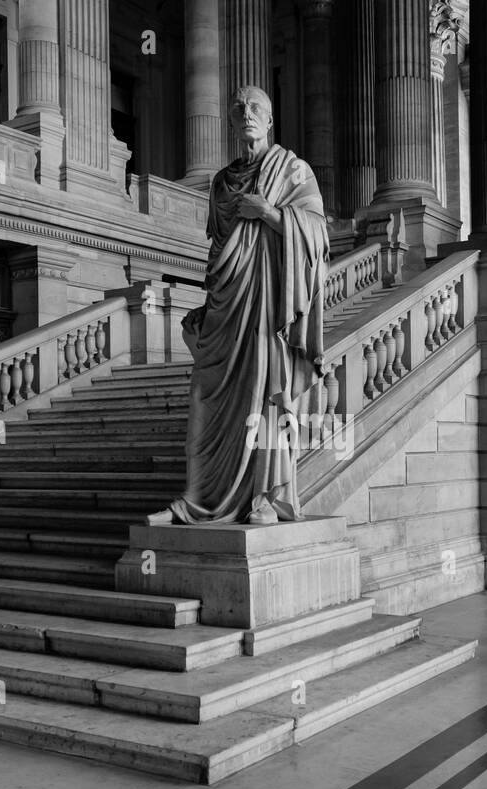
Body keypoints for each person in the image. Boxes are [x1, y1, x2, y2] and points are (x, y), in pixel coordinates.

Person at [150, 85, 329, 526]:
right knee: (204, 399)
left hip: (268, 307)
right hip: (227, 307)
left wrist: (269, 213)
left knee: (263, 398)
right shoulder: (219, 183)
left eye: (256, 108)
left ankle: (264, 497)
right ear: (230, 123)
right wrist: (209, 306)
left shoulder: (293, 171)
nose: (246, 113)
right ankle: (197, 498)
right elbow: (218, 251)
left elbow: (319, 237)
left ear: (270, 121)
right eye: (238, 108)